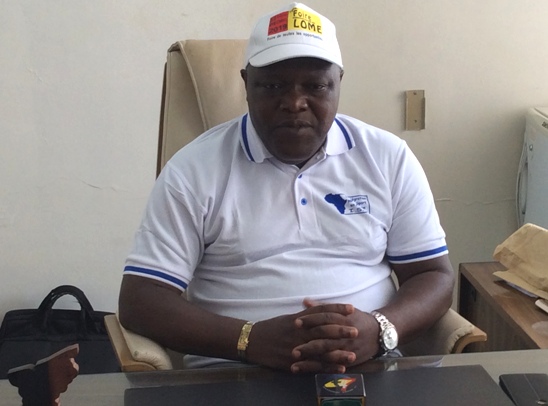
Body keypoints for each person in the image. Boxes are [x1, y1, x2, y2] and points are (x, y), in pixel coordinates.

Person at [118, 2, 454, 374]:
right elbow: (141, 300)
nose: (294, 103)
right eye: (273, 85)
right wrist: (249, 340)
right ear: (246, 84)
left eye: (315, 86)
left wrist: (379, 330)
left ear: (338, 83)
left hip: (370, 370)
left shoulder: (387, 157)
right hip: (235, 375)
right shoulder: (193, 169)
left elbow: (432, 275)